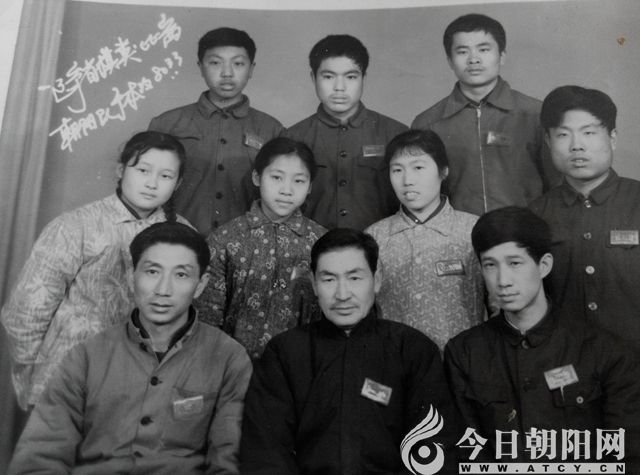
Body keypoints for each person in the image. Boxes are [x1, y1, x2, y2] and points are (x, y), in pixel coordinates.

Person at [8, 222, 252, 474]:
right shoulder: (87, 356)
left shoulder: (229, 359)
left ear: (200, 285)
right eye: (152, 272)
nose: (163, 290)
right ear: (130, 276)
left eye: (181, 275)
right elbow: (40, 456)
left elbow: (228, 461)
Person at [240, 228, 457, 474]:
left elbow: (433, 450)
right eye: (329, 280)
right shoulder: (284, 353)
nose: (342, 295)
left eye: (354, 278)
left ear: (376, 280)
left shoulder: (413, 350)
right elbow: (265, 452)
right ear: (313, 283)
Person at [1, 131, 189, 410]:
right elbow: (26, 311)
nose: (152, 183)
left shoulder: (183, 234)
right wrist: (35, 377)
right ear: (121, 170)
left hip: (145, 386)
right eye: (143, 170)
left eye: (165, 176)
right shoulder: (75, 226)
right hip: (69, 377)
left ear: (178, 183)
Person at [444, 207, 640, 465]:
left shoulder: (604, 351)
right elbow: (467, 455)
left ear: (544, 265)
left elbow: (626, 457)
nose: (503, 280)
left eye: (515, 263)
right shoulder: (464, 353)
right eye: (490, 265)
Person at [412, 14, 557, 216]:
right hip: (457, 231)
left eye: (484, 49)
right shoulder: (429, 123)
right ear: (450, 61)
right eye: (462, 51)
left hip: (526, 229)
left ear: (502, 56)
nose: (474, 59)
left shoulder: (536, 114)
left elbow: (557, 185)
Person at [530, 85, 640, 350]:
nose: (576, 146)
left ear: (612, 137)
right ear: (548, 141)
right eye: (563, 135)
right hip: (564, 360)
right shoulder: (535, 215)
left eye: (589, 133)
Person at [196, 137, 326, 360]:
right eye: (276, 177)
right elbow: (208, 316)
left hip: (303, 364)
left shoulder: (321, 242)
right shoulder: (225, 239)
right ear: (257, 177)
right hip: (234, 365)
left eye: (299, 181)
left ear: (310, 187)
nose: (286, 190)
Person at [149, 27, 283, 235]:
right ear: (200, 67)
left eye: (238, 64)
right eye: (215, 63)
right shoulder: (167, 124)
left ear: (251, 69)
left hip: (248, 244)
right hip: (177, 239)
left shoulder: (272, 130)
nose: (227, 73)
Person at [366, 130, 484, 350]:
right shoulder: (375, 236)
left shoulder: (473, 230)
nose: (407, 180)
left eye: (418, 168)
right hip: (395, 359)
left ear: (443, 171)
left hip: (463, 359)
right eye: (397, 170)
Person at [285, 34, 408, 230]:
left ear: (363, 78)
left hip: (380, 244)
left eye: (351, 77)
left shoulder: (396, 134)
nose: (339, 88)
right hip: (312, 245)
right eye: (328, 77)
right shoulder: (292, 138)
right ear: (313, 78)